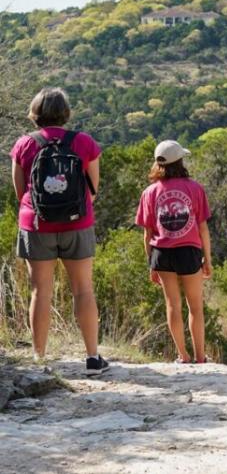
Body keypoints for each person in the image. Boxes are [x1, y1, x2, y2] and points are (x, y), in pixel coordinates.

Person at [10, 88, 108, 375]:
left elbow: (20, 191)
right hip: (77, 224)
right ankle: (92, 357)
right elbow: (93, 189)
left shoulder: (24, 145)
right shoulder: (84, 142)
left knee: (40, 291)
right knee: (83, 290)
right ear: (66, 113)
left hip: (36, 223)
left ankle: (39, 358)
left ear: (34, 113)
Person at [135, 140, 212, 364]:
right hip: (189, 251)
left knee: (172, 305)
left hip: (162, 252)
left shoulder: (149, 193)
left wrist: (151, 263)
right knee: (195, 306)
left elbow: (147, 234)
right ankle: (200, 356)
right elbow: (202, 228)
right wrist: (208, 258)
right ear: (180, 161)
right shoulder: (195, 188)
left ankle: (183, 355)